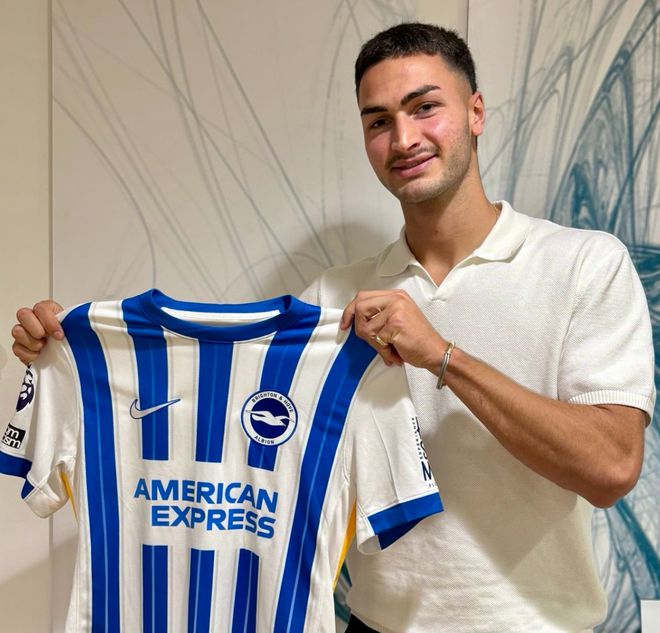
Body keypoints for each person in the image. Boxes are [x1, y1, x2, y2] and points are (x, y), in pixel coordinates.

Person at [10, 22, 655, 633]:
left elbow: (612, 467)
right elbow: (223, 432)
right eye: (379, 121)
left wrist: (440, 355)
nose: (403, 139)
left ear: (475, 112)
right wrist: (71, 350)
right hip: (372, 625)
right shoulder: (332, 300)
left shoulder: (584, 264)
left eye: (425, 107)